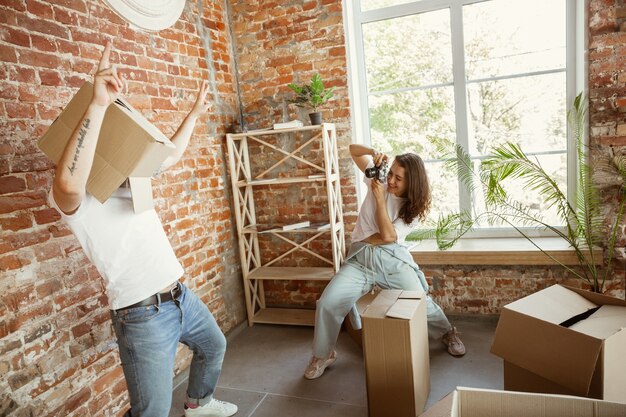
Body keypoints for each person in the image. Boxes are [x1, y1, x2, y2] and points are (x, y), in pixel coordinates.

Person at [48, 42, 238, 417]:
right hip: (142, 314)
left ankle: (198, 405)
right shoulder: (74, 197)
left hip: (180, 294)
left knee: (214, 345)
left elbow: (171, 154)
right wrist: (98, 105)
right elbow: (69, 183)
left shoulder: (131, 177)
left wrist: (194, 113)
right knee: (151, 411)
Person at [304, 144, 465, 380]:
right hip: (360, 260)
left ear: (412, 183)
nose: (390, 180)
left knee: (419, 298)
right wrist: (372, 150)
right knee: (328, 302)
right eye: (391, 173)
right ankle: (322, 354)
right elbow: (353, 151)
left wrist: (379, 202)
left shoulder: (413, 211)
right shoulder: (376, 180)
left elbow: (388, 237)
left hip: (392, 260)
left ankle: (447, 332)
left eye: (398, 179)